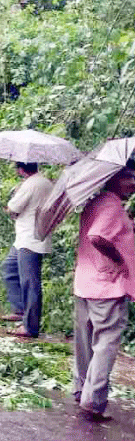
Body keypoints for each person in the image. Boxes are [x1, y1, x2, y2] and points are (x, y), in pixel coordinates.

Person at [72, 165, 135, 421]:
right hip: (106, 284)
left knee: (85, 342)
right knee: (106, 344)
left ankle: (81, 390)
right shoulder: (111, 206)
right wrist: (119, 260)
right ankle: (93, 401)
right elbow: (98, 236)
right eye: (129, 178)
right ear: (115, 180)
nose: (133, 184)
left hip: (85, 282)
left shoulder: (95, 202)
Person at [0, 162, 53, 338]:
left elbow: (13, 208)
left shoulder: (30, 184)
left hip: (29, 239)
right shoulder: (45, 182)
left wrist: (12, 199)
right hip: (28, 237)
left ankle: (30, 327)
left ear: (20, 169)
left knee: (30, 283)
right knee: (9, 268)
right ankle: (20, 308)